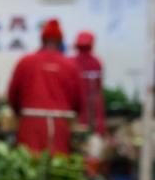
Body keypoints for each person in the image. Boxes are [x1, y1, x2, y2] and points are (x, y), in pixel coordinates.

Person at [7, 19, 82, 155]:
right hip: (60, 125)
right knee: (59, 168)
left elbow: (12, 95)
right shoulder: (70, 66)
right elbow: (78, 101)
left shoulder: (25, 62)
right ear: (60, 42)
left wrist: (19, 113)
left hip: (31, 124)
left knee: (29, 166)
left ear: (42, 40)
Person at [72, 31, 107, 137]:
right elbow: (98, 88)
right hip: (88, 106)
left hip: (82, 107)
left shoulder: (71, 61)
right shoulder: (96, 62)